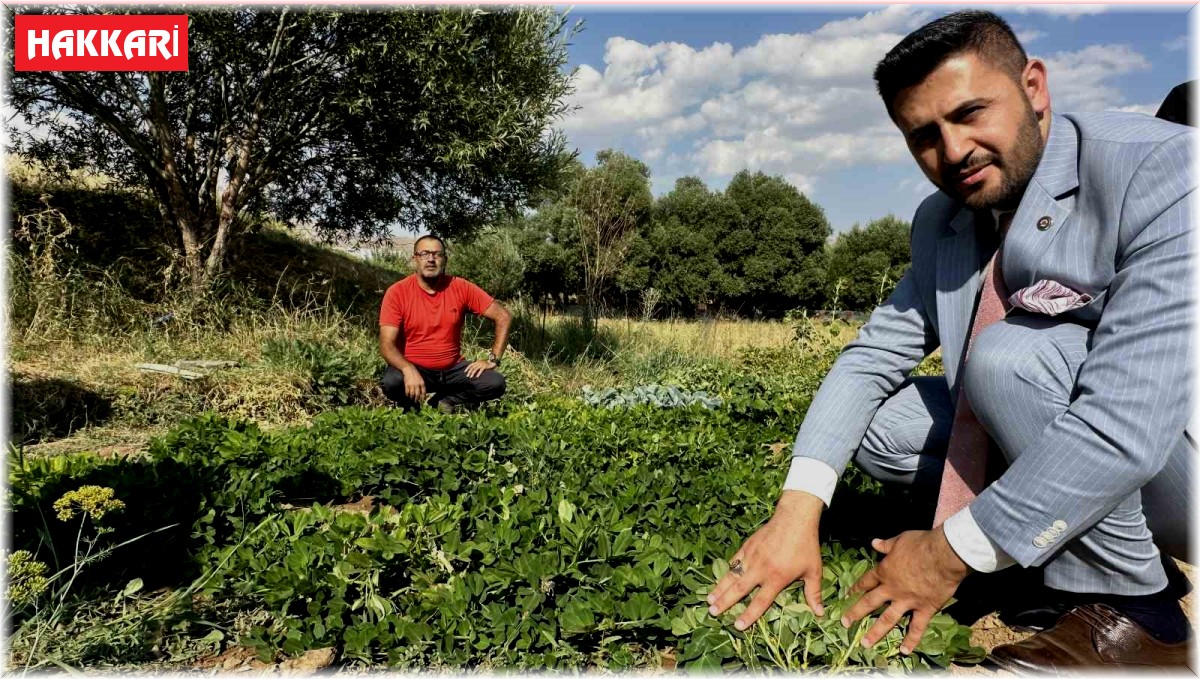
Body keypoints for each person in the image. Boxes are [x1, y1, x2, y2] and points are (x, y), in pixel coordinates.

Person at [707, 11, 1195, 671]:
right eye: (924, 135)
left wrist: (944, 554)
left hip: (1178, 456)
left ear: (1035, 88)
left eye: (971, 112)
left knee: (1011, 359)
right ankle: (1040, 552)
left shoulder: (1163, 169)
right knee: (887, 426)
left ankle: (1146, 617)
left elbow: (1126, 423)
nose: (954, 149)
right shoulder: (945, 221)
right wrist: (799, 507)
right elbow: (871, 359)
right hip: (1107, 448)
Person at [378, 234, 512, 413]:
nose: (431, 259)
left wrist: (493, 359)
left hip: (453, 369)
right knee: (391, 382)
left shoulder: (460, 287)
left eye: (437, 254)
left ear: (445, 260)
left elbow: (503, 316)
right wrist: (408, 368)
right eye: (424, 254)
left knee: (495, 383)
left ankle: (444, 401)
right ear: (414, 259)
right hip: (416, 367)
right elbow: (386, 345)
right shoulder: (397, 292)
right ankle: (411, 409)